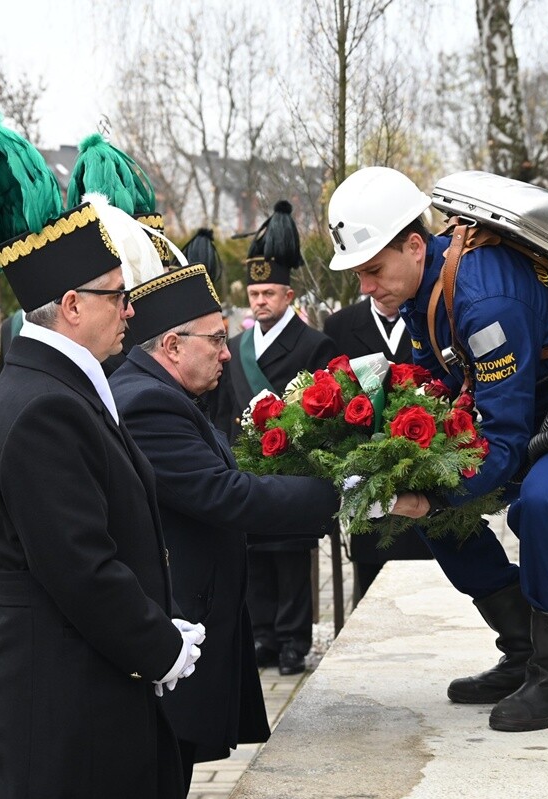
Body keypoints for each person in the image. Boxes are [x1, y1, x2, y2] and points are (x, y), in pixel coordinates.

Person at [325, 166, 548, 732]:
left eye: (372, 270)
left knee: (544, 500)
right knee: (434, 505)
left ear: (415, 245)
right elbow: (435, 390)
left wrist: (431, 497)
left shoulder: (484, 302)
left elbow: (503, 443)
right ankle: (523, 653)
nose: (365, 287)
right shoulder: (425, 284)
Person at [0, 104, 202, 799]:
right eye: (117, 296)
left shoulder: (53, 387)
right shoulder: (45, 408)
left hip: (80, 676)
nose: (131, 310)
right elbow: (80, 565)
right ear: (70, 304)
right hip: (53, 700)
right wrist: (161, 645)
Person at [110, 264, 339, 789]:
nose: (227, 352)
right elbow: (225, 494)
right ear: (171, 344)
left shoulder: (162, 394)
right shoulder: (146, 403)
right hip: (175, 632)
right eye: (215, 339)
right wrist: (342, 491)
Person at [209, 201, 337, 676]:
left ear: (289, 294)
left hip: (292, 470)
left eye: (269, 292)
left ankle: (293, 641)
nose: (259, 300)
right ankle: (262, 635)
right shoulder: (236, 347)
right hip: (245, 469)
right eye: (254, 292)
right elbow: (222, 410)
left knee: (289, 559)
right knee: (254, 557)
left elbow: (325, 412)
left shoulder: (313, 344)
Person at [323, 295, 435, 601]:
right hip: (368, 481)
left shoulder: (432, 315)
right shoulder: (340, 325)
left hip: (428, 472)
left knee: (429, 589)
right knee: (373, 591)